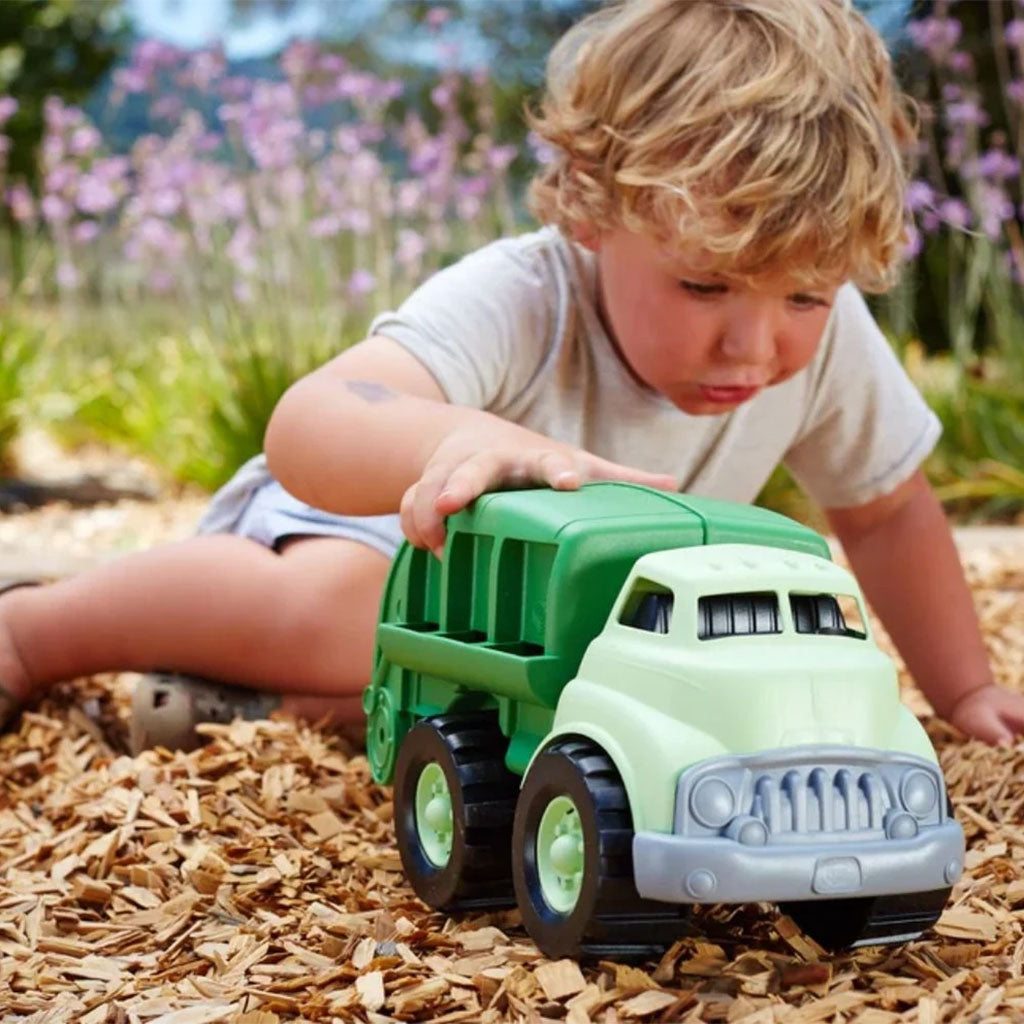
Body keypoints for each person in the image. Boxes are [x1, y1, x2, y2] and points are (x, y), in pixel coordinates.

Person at [0, 0, 1020, 753]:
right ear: (591, 212)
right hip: (381, 541)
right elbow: (311, 421)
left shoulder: (828, 334)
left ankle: (250, 707)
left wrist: (965, 691)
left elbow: (884, 513)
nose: (755, 347)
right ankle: (36, 629)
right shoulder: (526, 296)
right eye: (704, 286)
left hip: (549, 628)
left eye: (803, 297)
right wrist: (455, 441)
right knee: (358, 610)